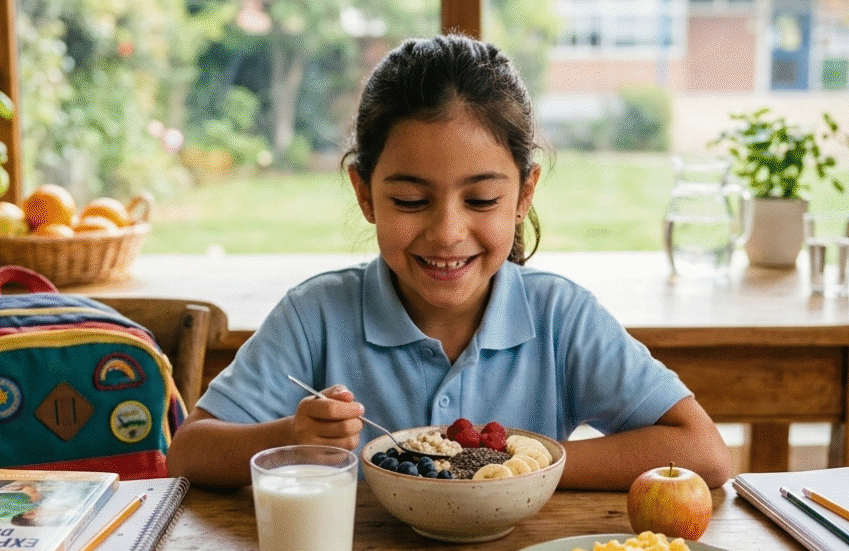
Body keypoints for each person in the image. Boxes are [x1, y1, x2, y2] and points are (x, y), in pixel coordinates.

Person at [166, 33, 731, 491]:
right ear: (364, 194)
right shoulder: (318, 314)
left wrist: (517, 469)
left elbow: (703, 453)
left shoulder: (559, 317)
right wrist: (294, 437)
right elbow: (189, 452)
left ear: (524, 194)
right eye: (411, 201)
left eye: (482, 199)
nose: (447, 233)